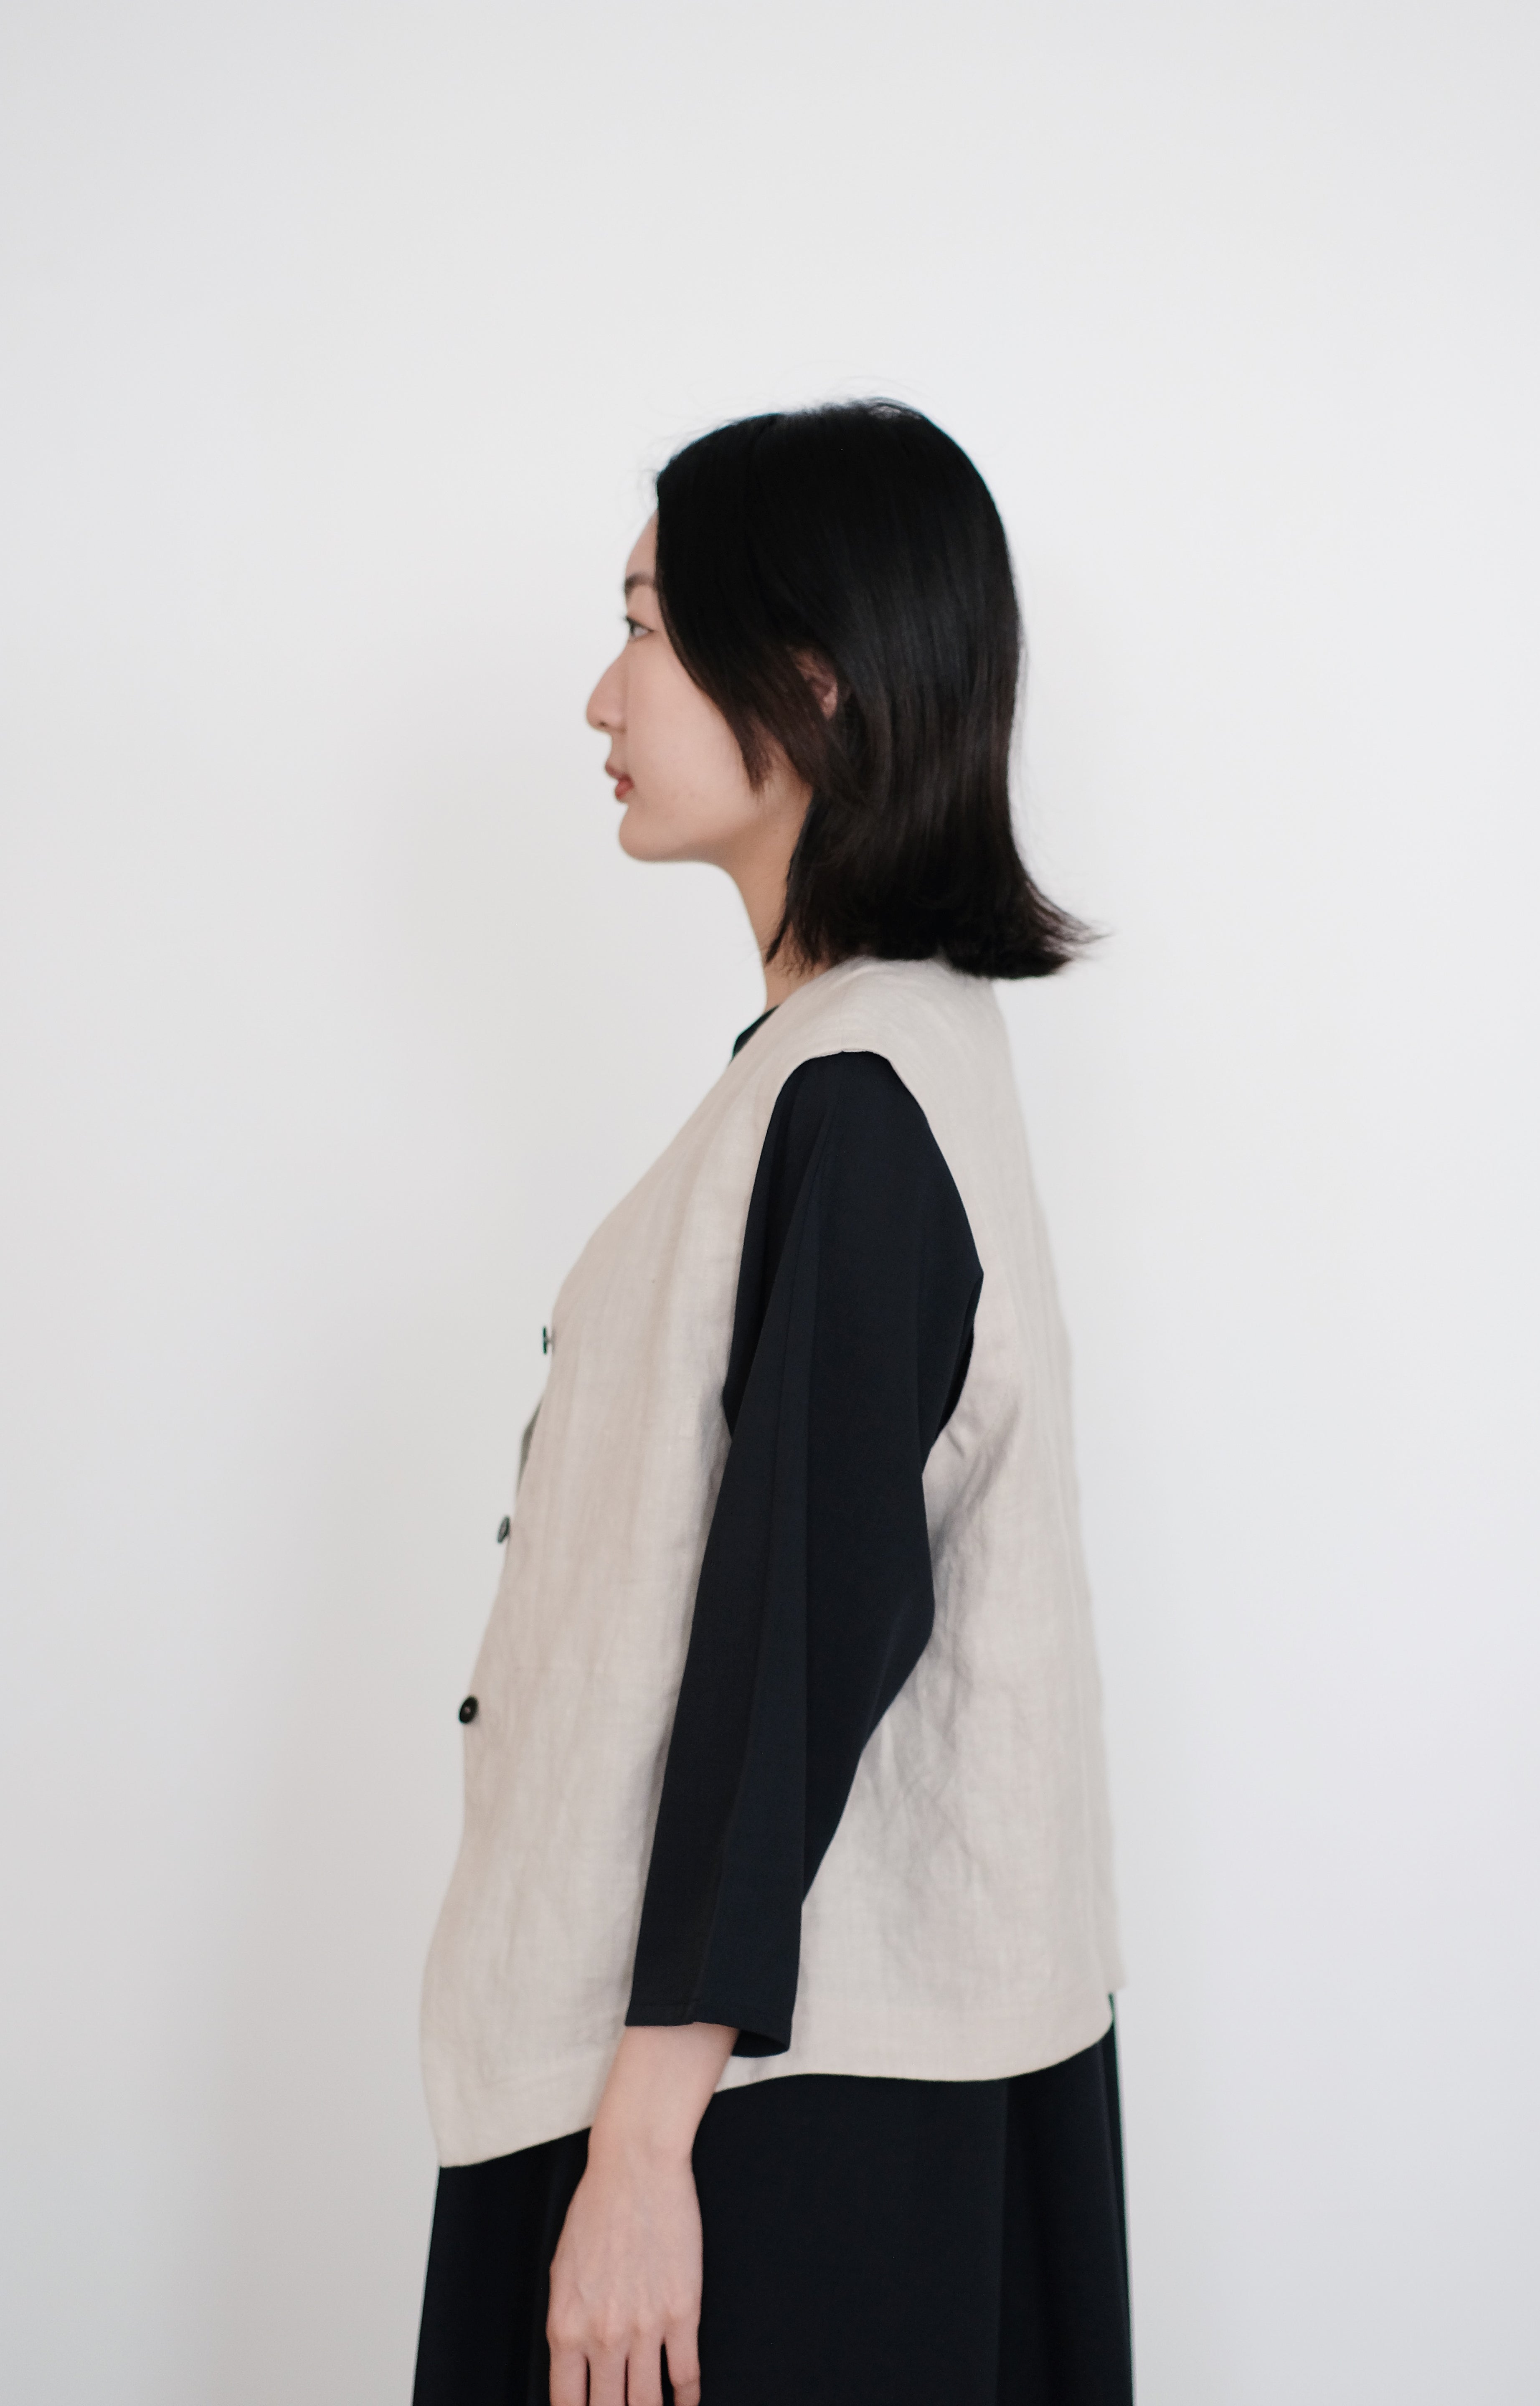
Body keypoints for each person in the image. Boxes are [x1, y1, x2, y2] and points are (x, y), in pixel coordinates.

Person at [411, 400, 1130, 2406]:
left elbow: (796, 1648)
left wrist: (643, 2150)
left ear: (808, 677)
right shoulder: (857, 1069)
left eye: (647, 624)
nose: (601, 694)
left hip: (774, 2124)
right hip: (781, 2087)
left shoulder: (859, 1097)